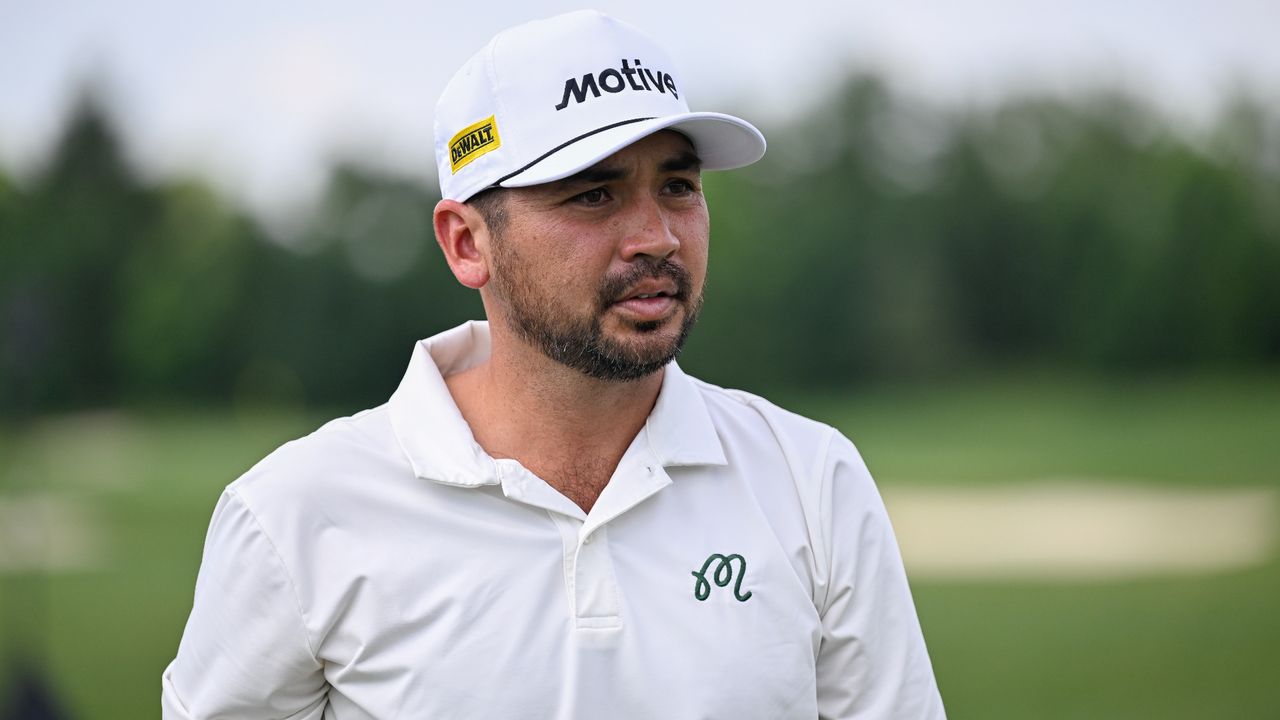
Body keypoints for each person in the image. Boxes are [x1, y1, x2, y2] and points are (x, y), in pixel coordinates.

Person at [162, 10, 945, 719]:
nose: (658, 237)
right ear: (468, 243)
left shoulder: (811, 481)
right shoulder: (296, 515)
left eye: (677, 186)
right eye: (593, 196)